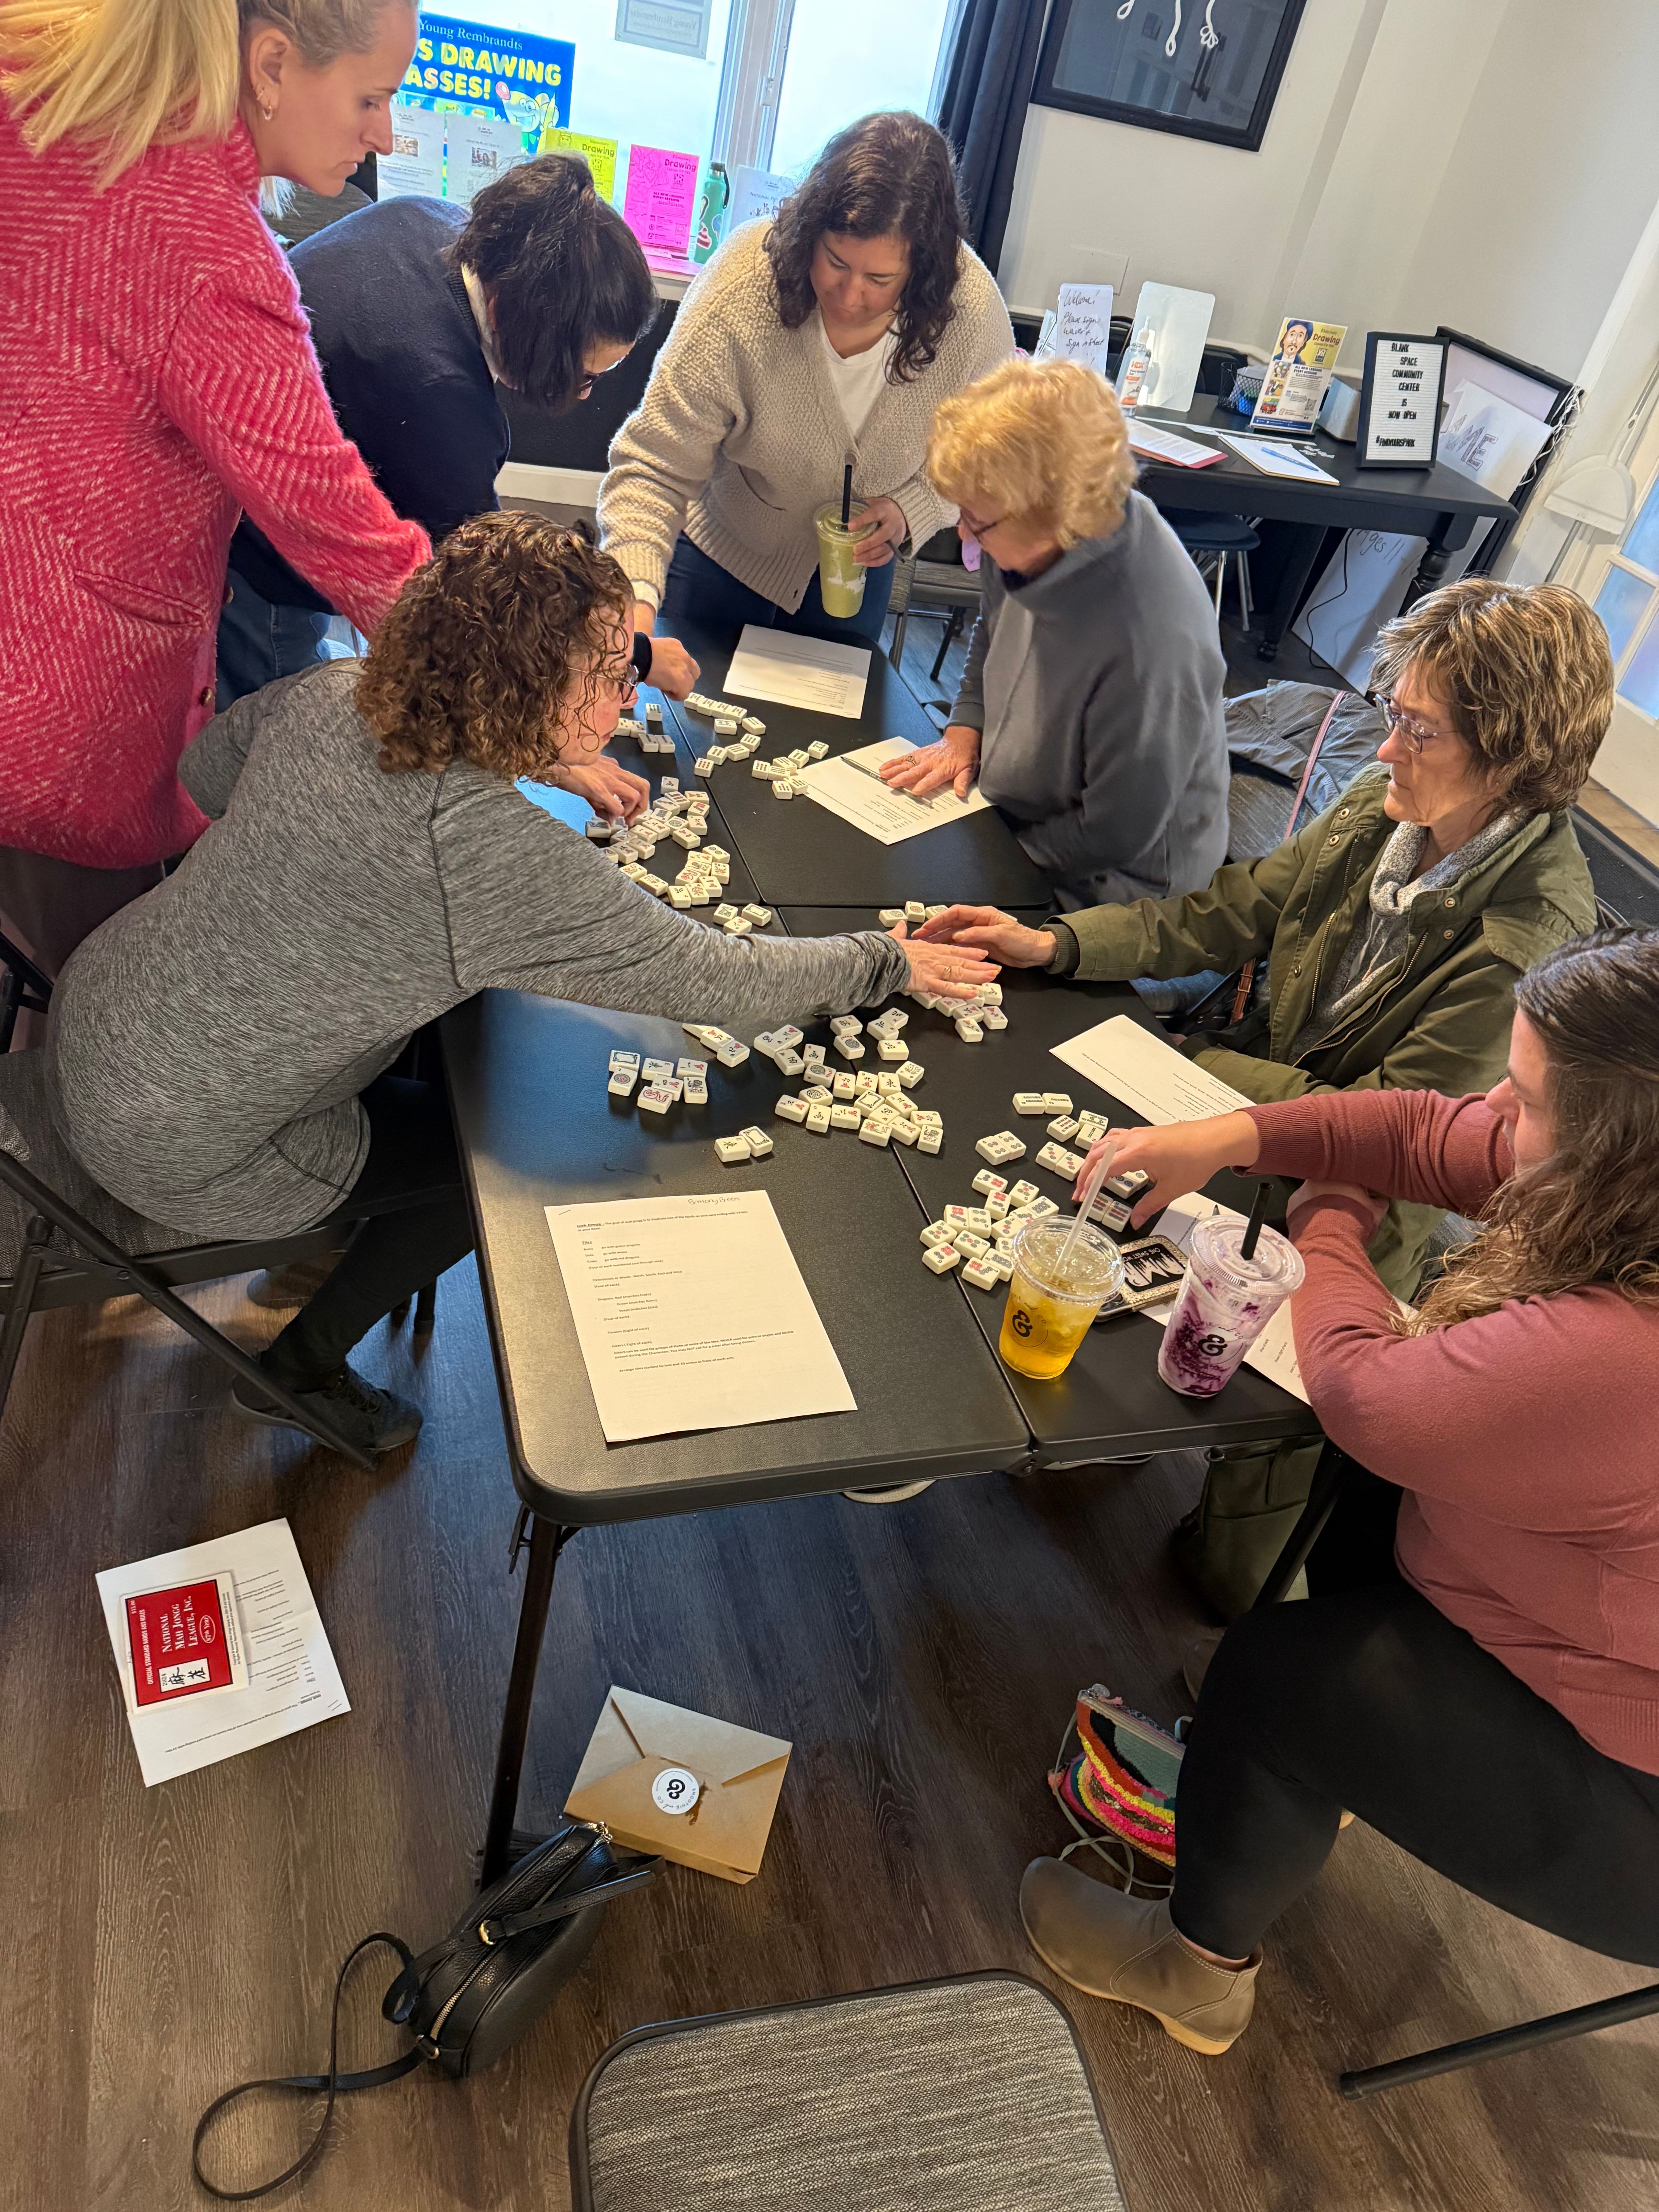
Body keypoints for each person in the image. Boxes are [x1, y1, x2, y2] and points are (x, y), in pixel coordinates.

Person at [45, 514, 997, 1455]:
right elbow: (722, 979)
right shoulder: (486, 851)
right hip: (181, 1144)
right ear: (525, 687)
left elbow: (207, 775)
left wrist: (519, 759)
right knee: (487, 1165)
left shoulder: (338, 685)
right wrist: (891, 960)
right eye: (609, 677)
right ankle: (297, 1374)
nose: (625, 699)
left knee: (451, 1031)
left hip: (98, 1007)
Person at [1020, 927, 1659, 2053]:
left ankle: (1192, 1969)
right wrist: (1231, 1136)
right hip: (1567, 1612)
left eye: (1520, 1101)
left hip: (1634, 1804)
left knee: (1278, 1677)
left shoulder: (1630, 1353)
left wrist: (1325, 1212)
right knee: (1361, 1502)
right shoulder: (1622, 1182)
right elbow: (1423, 1129)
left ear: (1614, 1155)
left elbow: (1371, 1393)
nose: (1490, 1118)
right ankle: (1309, 1776)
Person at [917, 578, 1607, 1613]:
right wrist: (1058, 943)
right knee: (1081, 1236)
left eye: (1417, 729)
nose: (1382, 750)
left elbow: (1394, 1129)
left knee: (1231, 1586)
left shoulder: (1531, 935)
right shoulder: (1389, 810)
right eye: (1393, 714)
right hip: (1253, 1111)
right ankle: (1116, 1420)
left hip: (1359, 1210)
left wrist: (1194, 1096)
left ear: (1506, 763)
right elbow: (1236, 909)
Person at [0, 0, 429, 982]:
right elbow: (345, 532)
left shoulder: (44, 97)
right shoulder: (201, 244)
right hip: (61, 733)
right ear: (271, 63)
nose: (385, 135)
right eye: (371, 96)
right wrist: (525, 702)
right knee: (103, 1049)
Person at [219, 151, 699, 725]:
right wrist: (628, 659)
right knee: (275, 732)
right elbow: (480, 604)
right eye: (587, 376)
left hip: (254, 465)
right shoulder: (439, 394)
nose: (587, 397)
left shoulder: (437, 221)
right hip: (252, 556)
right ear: (542, 333)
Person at [599, 110, 1013, 650]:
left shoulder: (973, 315)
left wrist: (914, 508)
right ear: (809, 232)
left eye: (880, 279)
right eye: (836, 262)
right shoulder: (743, 287)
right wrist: (634, 599)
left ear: (925, 271)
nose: (849, 294)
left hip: (852, 578)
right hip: (719, 562)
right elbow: (654, 465)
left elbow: (995, 458)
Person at [878, 356, 1228, 908]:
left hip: (1118, 884)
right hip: (1021, 807)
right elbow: (992, 635)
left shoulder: (1151, 643)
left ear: (1057, 517)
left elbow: (1116, 831)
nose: (964, 531)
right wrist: (964, 729)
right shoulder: (1013, 524)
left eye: (978, 521)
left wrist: (987, 859)